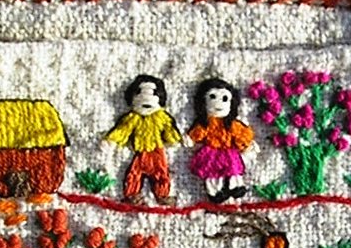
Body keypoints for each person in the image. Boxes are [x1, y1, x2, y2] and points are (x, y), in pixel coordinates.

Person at [105, 74, 182, 203]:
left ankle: (163, 195)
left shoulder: (161, 116)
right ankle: (132, 195)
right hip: (140, 152)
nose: (146, 98)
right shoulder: (133, 117)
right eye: (140, 93)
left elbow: (169, 128)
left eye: (152, 94)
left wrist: (173, 139)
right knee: (134, 173)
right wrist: (112, 140)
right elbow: (123, 129)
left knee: (161, 172)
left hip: (157, 151)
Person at [188, 77, 257, 203]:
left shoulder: (231, 124)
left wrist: (246, 142)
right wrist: (191, 138)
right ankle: (214, 191)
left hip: (228, 150)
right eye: (212, 97)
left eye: (225, 98)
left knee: (233, 167)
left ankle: (236, 185)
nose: (218, 103)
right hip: (211, 152)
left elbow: (240, 133)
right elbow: (198, 133)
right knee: (212, 171)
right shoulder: (206, 124)